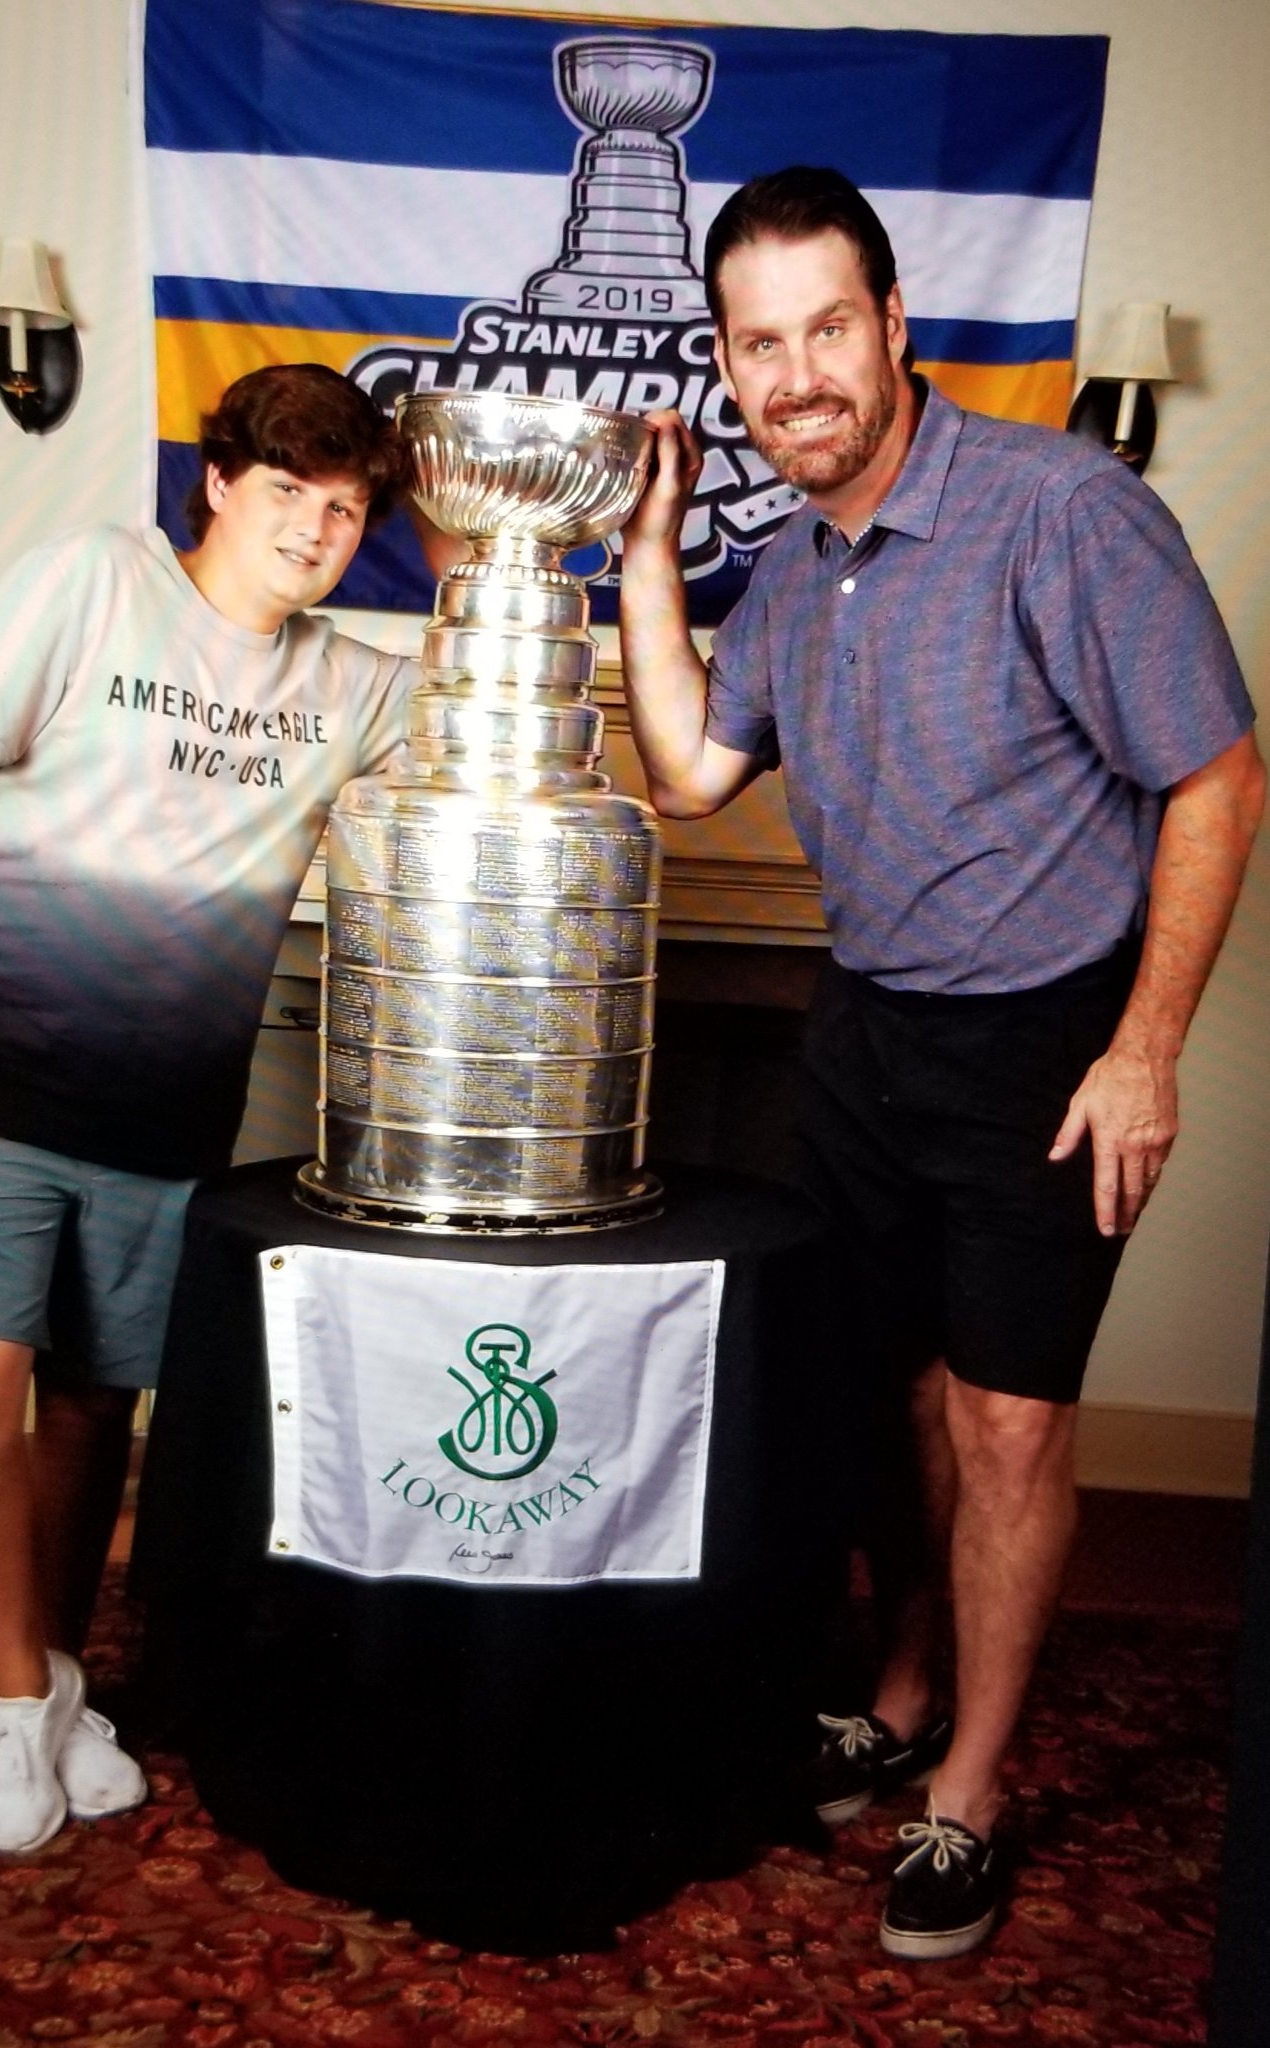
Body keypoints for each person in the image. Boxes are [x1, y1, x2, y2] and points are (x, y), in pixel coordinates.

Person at [618, 167, 1263, 1959]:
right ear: (731, 367)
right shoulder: (796, 567)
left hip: (1049, 1037)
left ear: (896, 325)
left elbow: (1218, 775)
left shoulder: (1063, 511)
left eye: (829, 326)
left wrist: (1146, 1050)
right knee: (893, 1396)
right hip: (872, 1025)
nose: (797, 373)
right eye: (759, 344)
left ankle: (967, 1790)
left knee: (1004, 1417)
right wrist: (655, 543)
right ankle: (904, 1687)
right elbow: (682, 768)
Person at [0, 363, 454, 1856]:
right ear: (216, 483)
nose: (315, 532)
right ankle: (16, 1704)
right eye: (286, 495)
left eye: (345, 510)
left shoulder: (351, 684)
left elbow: (485, 734)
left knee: (83, 1417)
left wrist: (454, 554)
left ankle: (58, 1690)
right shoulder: (90, 582)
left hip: (167, 1126)